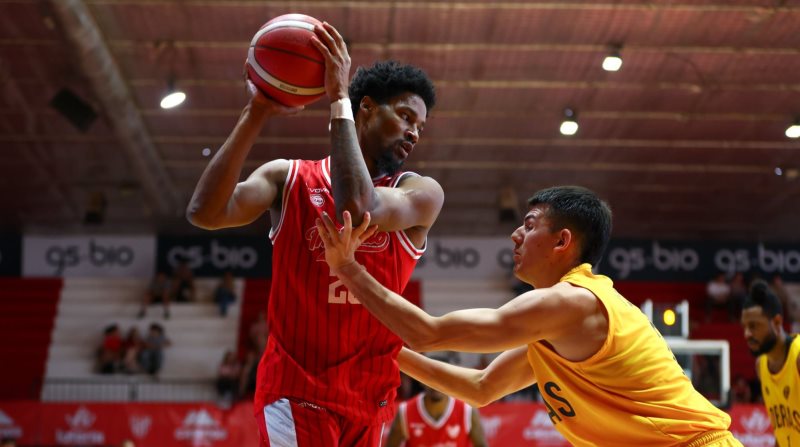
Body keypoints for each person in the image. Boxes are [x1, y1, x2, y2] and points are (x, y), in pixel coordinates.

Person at [316, 185, 742, 446]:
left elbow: (429, 333)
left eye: (530, 223)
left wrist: (349, 269)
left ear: (562, 242)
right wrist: (385, 353)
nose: (515, 233)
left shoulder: (571, 301)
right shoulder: (556, 326)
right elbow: (482, 388)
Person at [185, 19, 442, 446]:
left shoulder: (419, 193)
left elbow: (359, 206)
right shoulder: (288, 179)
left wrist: (339, 97)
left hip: (370, 398)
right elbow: (205, 213)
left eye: (421, 125)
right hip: (296, 390)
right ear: (366, 109)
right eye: (405, 116)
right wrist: (258, 112)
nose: (414, 132)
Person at [740, 280, 799, 447]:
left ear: (777, 322)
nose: (747, 334)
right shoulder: (761, 366)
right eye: (744, 327)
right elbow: (782, 432)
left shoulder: (798, 357)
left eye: (754, 326)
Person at [386, 358, 488, 447]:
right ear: (421, 380)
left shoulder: (467, 411)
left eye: (441, 379)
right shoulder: (405, 411)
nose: (436, 385)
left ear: (450, 382)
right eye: (431, 378)